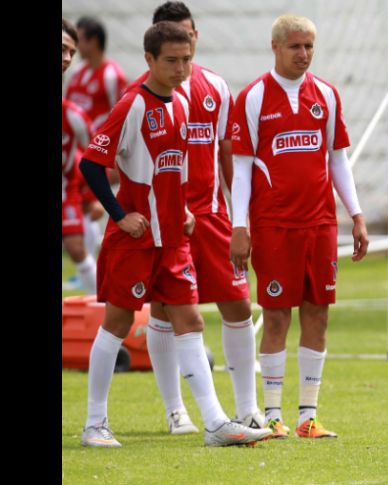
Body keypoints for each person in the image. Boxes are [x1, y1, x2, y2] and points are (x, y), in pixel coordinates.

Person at [77, 21, 270, 448]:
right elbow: (90, 163)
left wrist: (181, 208)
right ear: (149, 60)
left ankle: (216, 422)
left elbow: (173, 168)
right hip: (136, 238)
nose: (181, 69)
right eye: (171, 61)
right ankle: (94, 423)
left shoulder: (181, 105)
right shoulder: (132, 104)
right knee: (118, 324)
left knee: (191, 319)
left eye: (186, 60)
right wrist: (119, 214)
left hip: (173, 239)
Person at [125, 1, 263, 436]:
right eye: (174, 41)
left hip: (211, 216)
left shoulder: (216, 87)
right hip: (164, 221)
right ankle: (176, 412)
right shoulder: (139, 96)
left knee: (239, 304)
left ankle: (248, 409)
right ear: (156, 45)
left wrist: (241, 217)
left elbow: (227, 152)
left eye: (189, 37)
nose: (185, 50)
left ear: (196, 37)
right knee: (165, 312)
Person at [230, 14, 369, 439]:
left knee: (318, 313)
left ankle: (308, 415)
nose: (304, 54)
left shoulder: (326, 94)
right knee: (275, 317)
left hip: (321, 223)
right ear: (275, 47)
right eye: (295, 46)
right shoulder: (253, 97)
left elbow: (337, 159)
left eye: (309, 46)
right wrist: (240, 226)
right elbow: (240, 170)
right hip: (273, 225)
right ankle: (272, 416)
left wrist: (357, 214)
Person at [65, 16, 127, 273]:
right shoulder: (77, 73)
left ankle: (88, 262)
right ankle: (86, 263)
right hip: (76, 150)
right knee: (82, 201)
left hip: (100, 151)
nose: (73, 50)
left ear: (93, 40)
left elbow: (122, 112)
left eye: (77, 41)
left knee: (90, 199)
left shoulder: (112, 75)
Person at [62, 18, 97, 294]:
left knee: (77, 247)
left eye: (71, 52)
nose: (67, 58)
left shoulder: (73, 115)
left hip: (67, 190)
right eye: (62, 49)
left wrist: (94, 196)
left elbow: (95, 156)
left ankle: (101, 311)